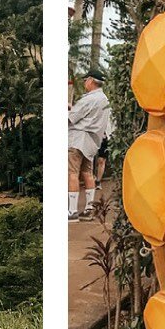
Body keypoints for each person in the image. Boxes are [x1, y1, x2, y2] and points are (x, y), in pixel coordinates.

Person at [67, 67, 113, 220]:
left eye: (86, 80)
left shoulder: (88, 99)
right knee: (88, 173)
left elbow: (71, 118)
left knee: (72, 173)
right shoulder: (104, 99)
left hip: (78, 139)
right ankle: (89, 209)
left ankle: (72, 211)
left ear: (92, 81)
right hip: (92, 142)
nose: (85, 82)